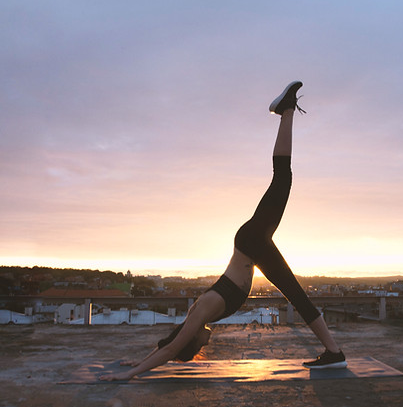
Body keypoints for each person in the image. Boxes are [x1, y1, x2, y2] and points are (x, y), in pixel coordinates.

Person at [100, 81, 346, 381]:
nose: (207, 344)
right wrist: (138, 361)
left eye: (199, 347)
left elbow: (170, 349)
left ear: (192, 341)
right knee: (295, 289)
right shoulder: (198, 318)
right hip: (250, 247)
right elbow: (169, 343)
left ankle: (287, 111)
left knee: (283, 181)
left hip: (252, 244)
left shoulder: (200, 316)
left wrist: (133, 373)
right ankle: (333, 353)